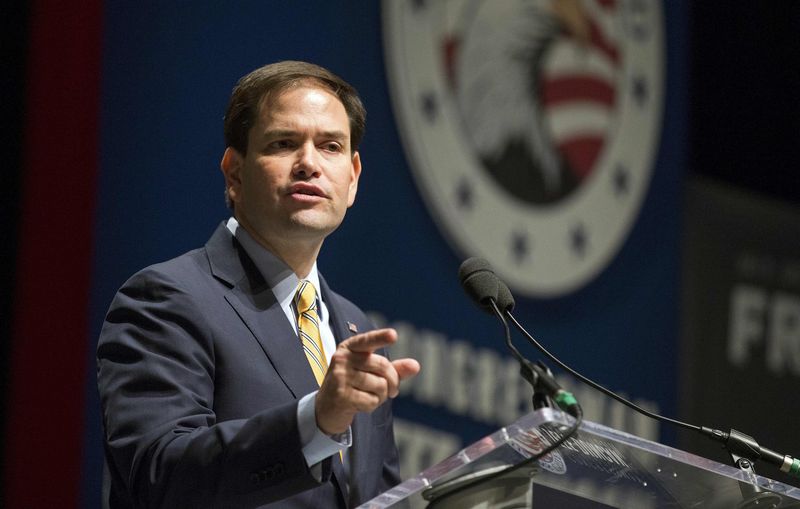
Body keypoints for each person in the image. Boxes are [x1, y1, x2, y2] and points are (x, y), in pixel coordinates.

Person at [96, 60, 420, 509]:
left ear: (353, 178)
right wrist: (315, 421)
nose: (309, 163)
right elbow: (159, 474)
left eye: (330, 146)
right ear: (235, 172)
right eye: (284, 143)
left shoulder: (353, 328)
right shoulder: (167, 299)